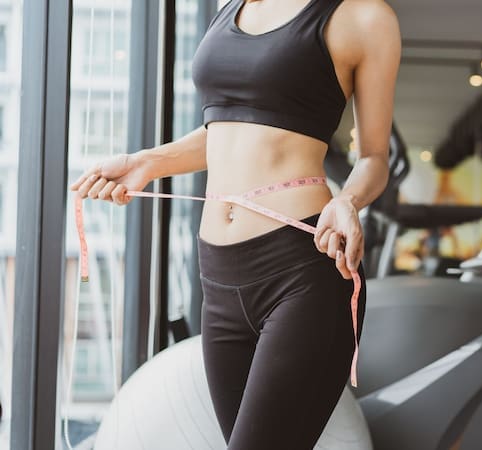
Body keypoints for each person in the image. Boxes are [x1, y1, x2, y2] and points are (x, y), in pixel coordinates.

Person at [70, 0, 401, 448]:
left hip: (302, 273)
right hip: (219, 277)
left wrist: (348, 200)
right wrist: (147, 162)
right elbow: (230, 128)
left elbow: (374, 158)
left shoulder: (363, 16)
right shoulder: (233, 7)